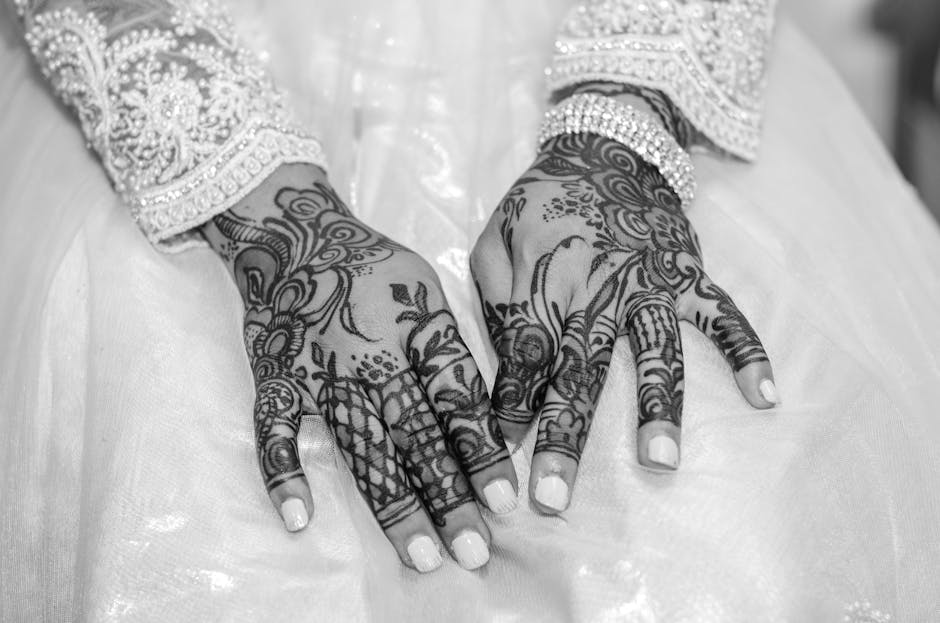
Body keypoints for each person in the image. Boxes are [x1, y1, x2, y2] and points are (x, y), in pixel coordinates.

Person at [3, 0, 940, 620]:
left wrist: (616, 130)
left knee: (725, 508)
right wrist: (274, 215)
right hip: (191, 49)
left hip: (608, 36)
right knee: (199, 502)